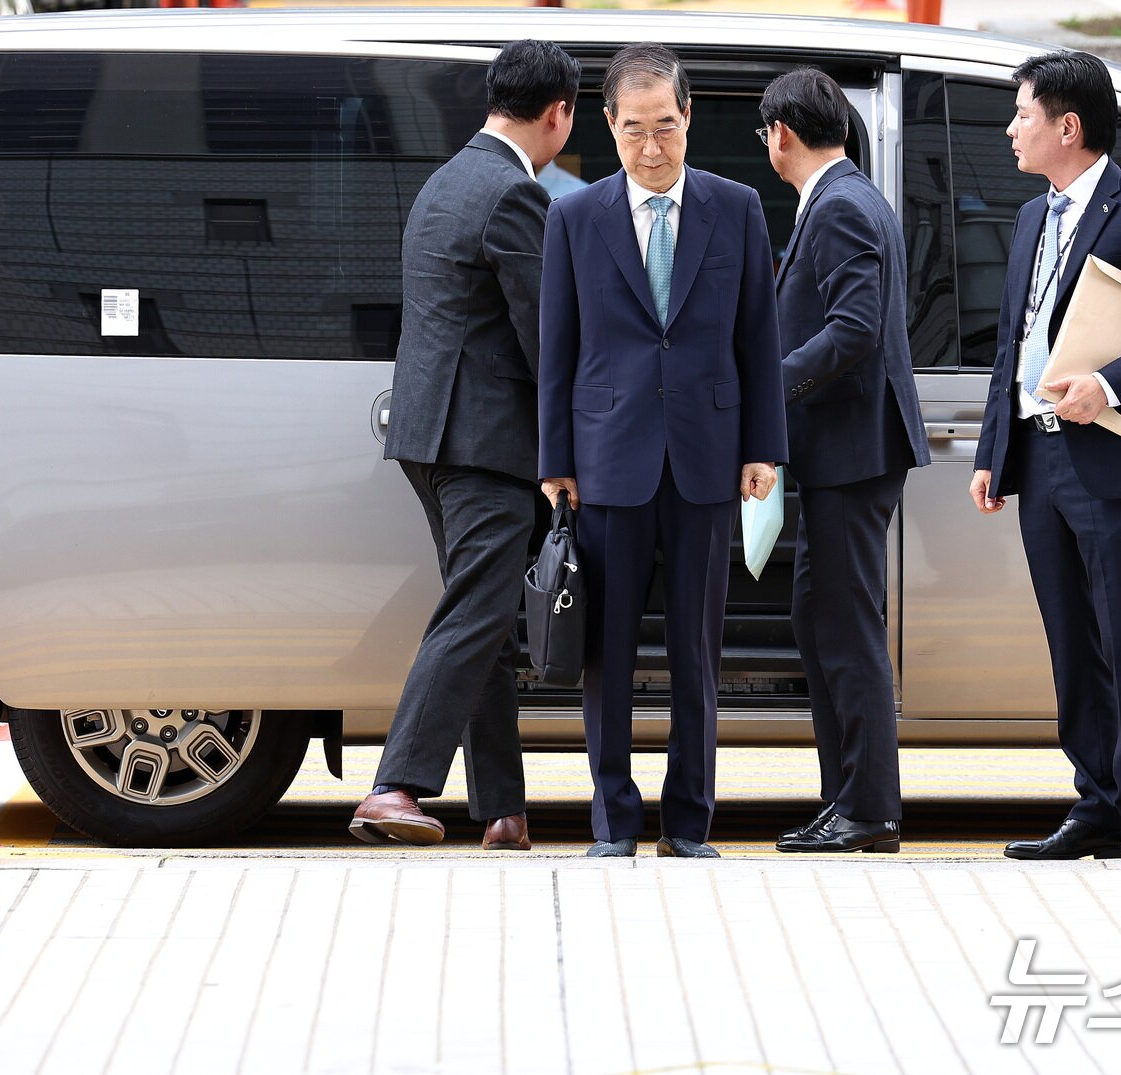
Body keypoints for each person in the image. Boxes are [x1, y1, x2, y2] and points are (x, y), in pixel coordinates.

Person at [539, 42, 788, 859]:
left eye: (668, 128)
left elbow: (758, 335)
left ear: (691, 120)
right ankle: (613, 819)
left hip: (708, 456)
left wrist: (764, 447)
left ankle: (688, 821)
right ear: (608, 124)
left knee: (696, 651)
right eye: (636, 129)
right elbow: (558, 347)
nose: (653, 149)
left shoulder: (736, 206)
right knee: (606, 654)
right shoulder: (573, 216)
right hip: (606, 457)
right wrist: (555, 460)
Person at [968, 51, 1121, 862]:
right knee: (1071, 639)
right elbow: (1015, 341)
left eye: (1023, 115)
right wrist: (993, 452)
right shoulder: (1033, 217)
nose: (1011, 129)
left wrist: (1107, 386)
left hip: (1114, 457)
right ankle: (1095, 800)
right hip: (1039, 458)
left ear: (1067, 126)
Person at [349, 40, 580, 848]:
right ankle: (398, 783)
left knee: (482, 614)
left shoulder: (446, 182)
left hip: (429, 433)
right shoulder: (516, 195)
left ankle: (503, 809)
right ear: (560, 114)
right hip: (483, 438)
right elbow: (544, 338)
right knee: (478, 607)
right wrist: (570, 451)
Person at [758, 69, 928, 854]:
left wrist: (771, 381)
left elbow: (854, 326)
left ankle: (868, 808)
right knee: (820, 616)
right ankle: (848, 801)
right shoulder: (847, 198)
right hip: (840, 452)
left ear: (780, 134)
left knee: (847, 625)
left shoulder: (840, 207)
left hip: (851, 452)